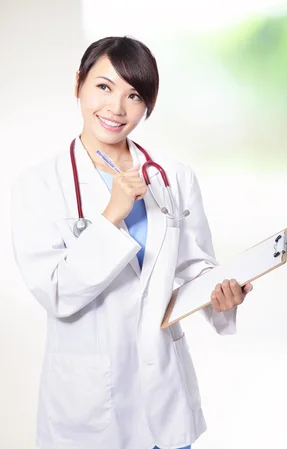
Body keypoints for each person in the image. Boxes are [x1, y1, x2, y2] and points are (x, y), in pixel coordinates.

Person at [10, 36, 253, 449]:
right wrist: (111, 214)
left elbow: (195, 266)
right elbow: (55, 291)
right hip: (89, 408)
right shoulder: (38, 185)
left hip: (164, 394)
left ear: (147, 104)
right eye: (104, 87)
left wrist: (221, 293)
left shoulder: (173, 177)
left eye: (134, 94)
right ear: (79, 84)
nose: (116, 108)